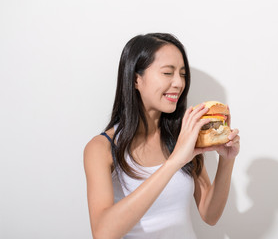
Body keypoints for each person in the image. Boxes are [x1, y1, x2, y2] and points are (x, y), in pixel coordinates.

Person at [83, 33, 240, 239]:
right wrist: (174, 162)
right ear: (135, 79)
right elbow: (103, 233)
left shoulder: (183, 135)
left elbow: (209, 215)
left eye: (182, 74)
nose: (179, 83)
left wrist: (227, 161)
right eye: (168, 73)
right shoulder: (101, 148)